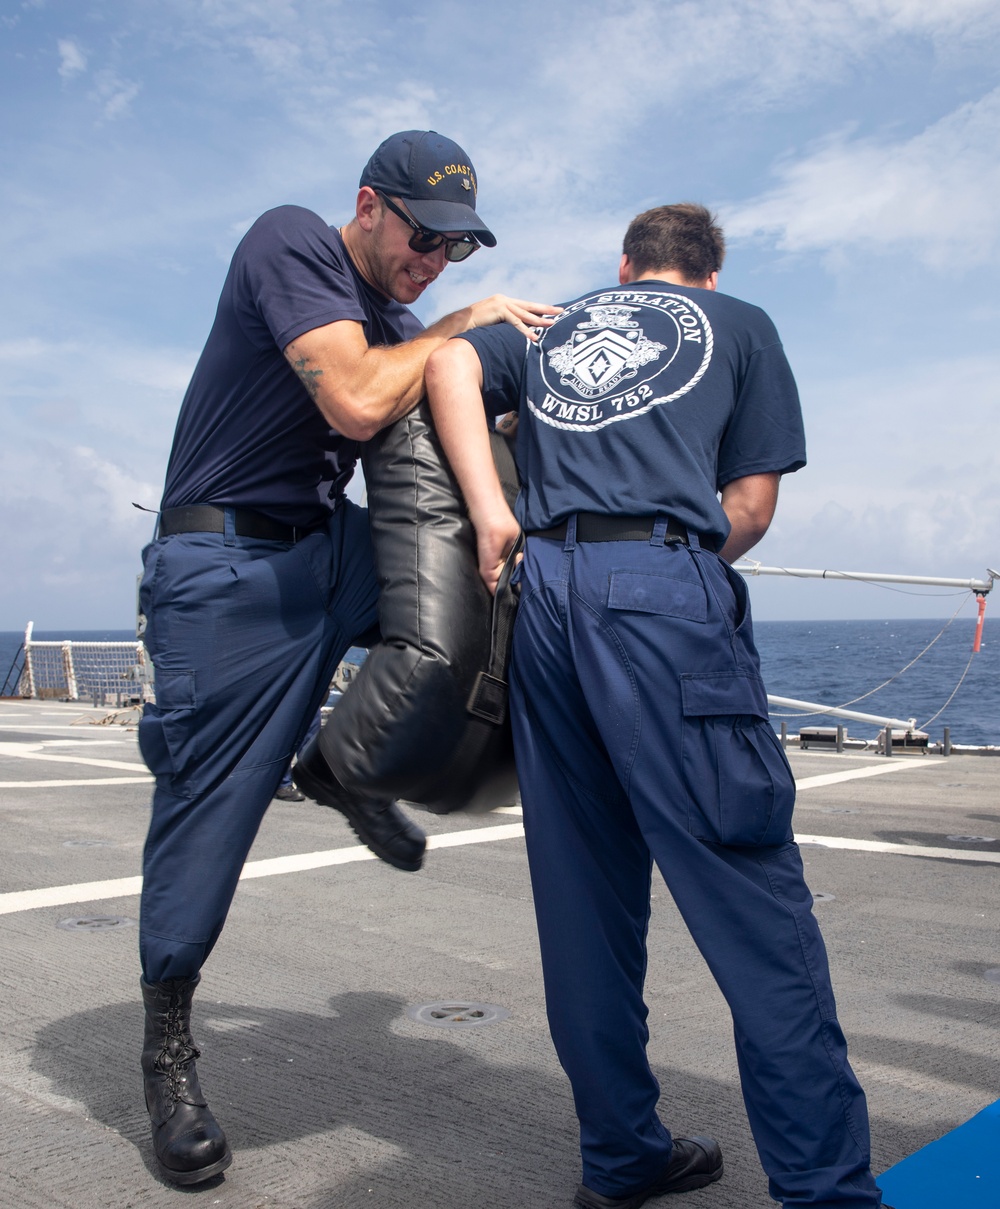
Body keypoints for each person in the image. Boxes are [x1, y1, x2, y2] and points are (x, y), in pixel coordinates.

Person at [424, 205, 892, 1209]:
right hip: (658, 593)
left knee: (585, 903)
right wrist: (662, 577)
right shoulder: (745, 326)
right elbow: (751, 507)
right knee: (751, 900)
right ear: (708, 276)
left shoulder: (551, 324)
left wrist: (495, 512)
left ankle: (621, 1159)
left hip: (541, 595)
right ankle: (826, 1192)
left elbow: (448, 367)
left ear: (625, 269)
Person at [137, 129, 557, 1186]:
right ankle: (169, 1047)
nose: (430, 265)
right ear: (369, 205)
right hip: (227, 570)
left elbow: (444, 422)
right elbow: (360, 401)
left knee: (482, 588)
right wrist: (462, 328)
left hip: (328, 555)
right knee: (209, 820)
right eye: (422, 239)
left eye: (454, 255)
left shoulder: (399, 317)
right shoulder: (290, 244)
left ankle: (340, 762)